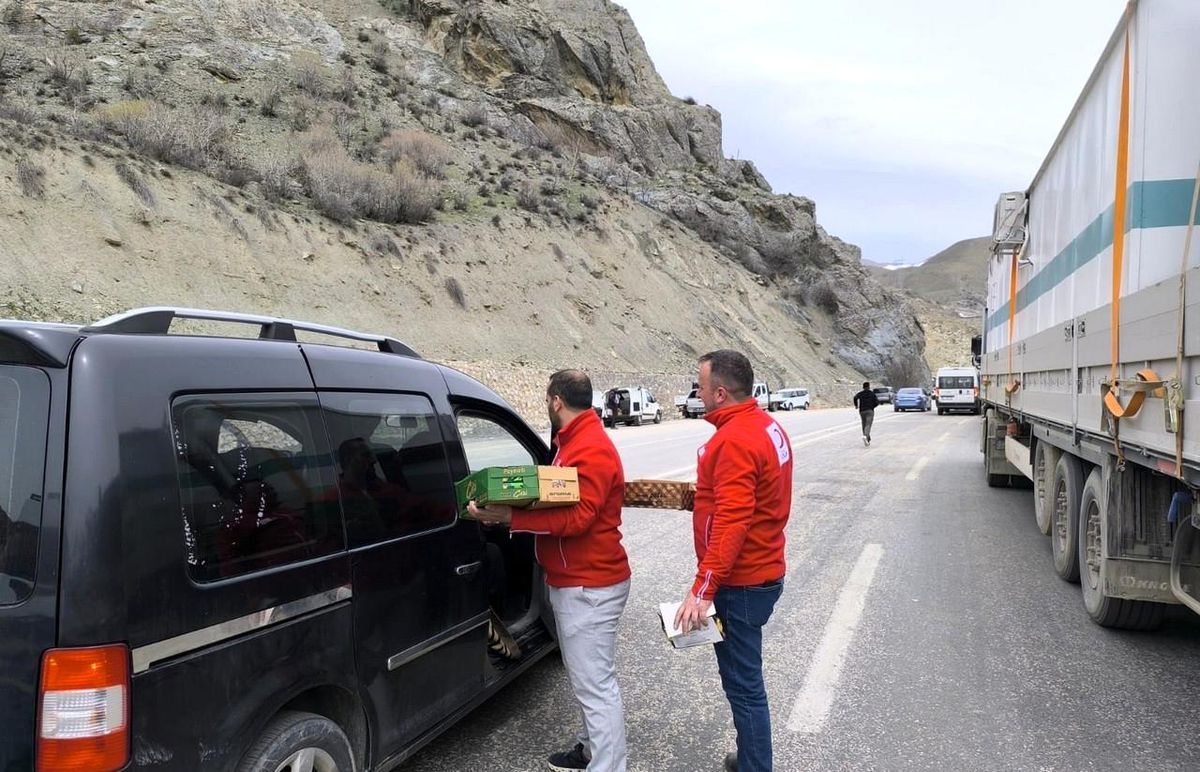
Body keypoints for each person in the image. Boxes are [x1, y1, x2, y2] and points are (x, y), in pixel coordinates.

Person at [470, 369, 630, 772]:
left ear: (556, 400)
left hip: (588, 585)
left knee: (595, 687)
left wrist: (511, 517)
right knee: (589, 679)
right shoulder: (571, 442)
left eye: (547, 399)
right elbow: (556, 498)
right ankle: (591, 749)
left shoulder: (589, 447)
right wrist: (511, 505)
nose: (547, 405)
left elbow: (578, 519)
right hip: (576, 580)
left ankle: (607, 765)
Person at [674, 350, 793, 772]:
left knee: (744, 687)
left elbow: (733, 521)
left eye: (701, 386)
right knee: (745, 682)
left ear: (720, 392)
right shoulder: (765, 426)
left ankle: (755, 765)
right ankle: (750, 756)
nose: (697, 392)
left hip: (742, 581)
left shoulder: (734, 439)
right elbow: (748, 501)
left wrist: (703, 589)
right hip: (763, 569)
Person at [852, 381, 879, 446]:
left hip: (862, 411)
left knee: (864, 424)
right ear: (869, 387)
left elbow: (855, 397)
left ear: (863, 387)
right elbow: (877, 402)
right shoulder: (872, 393)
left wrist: (856, 405)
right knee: (868, 424)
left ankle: (867, 438)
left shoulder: (860, 393)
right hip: (870, 411)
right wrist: (872, 407)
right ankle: (866, 436)